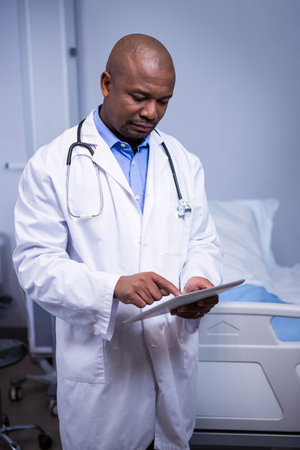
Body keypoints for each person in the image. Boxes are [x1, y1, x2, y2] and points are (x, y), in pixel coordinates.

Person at [13, 34, 222, 450]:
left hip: (170, 355)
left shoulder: (182, 162)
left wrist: (200, 280)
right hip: (102, 369)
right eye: (140, 97)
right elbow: (35, 265)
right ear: (107, 84)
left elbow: (202, 239)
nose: (152, 113)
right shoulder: (52, 165)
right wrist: (113, 287)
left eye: (163, 101)